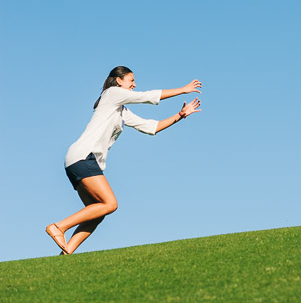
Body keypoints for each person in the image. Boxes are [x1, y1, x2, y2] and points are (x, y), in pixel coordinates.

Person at [46, 66, 202, 254]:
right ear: (119, 80)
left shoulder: (121, 110)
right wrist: (182, 90)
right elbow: (147, 96)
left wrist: (180, 115)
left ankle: (66, 253)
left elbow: (150, 127)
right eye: (131, 80)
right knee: (110, 204)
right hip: (83, 156)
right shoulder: (112, 94)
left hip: (81, 160)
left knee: (98, 212)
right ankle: (59, 227)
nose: (134, 85)